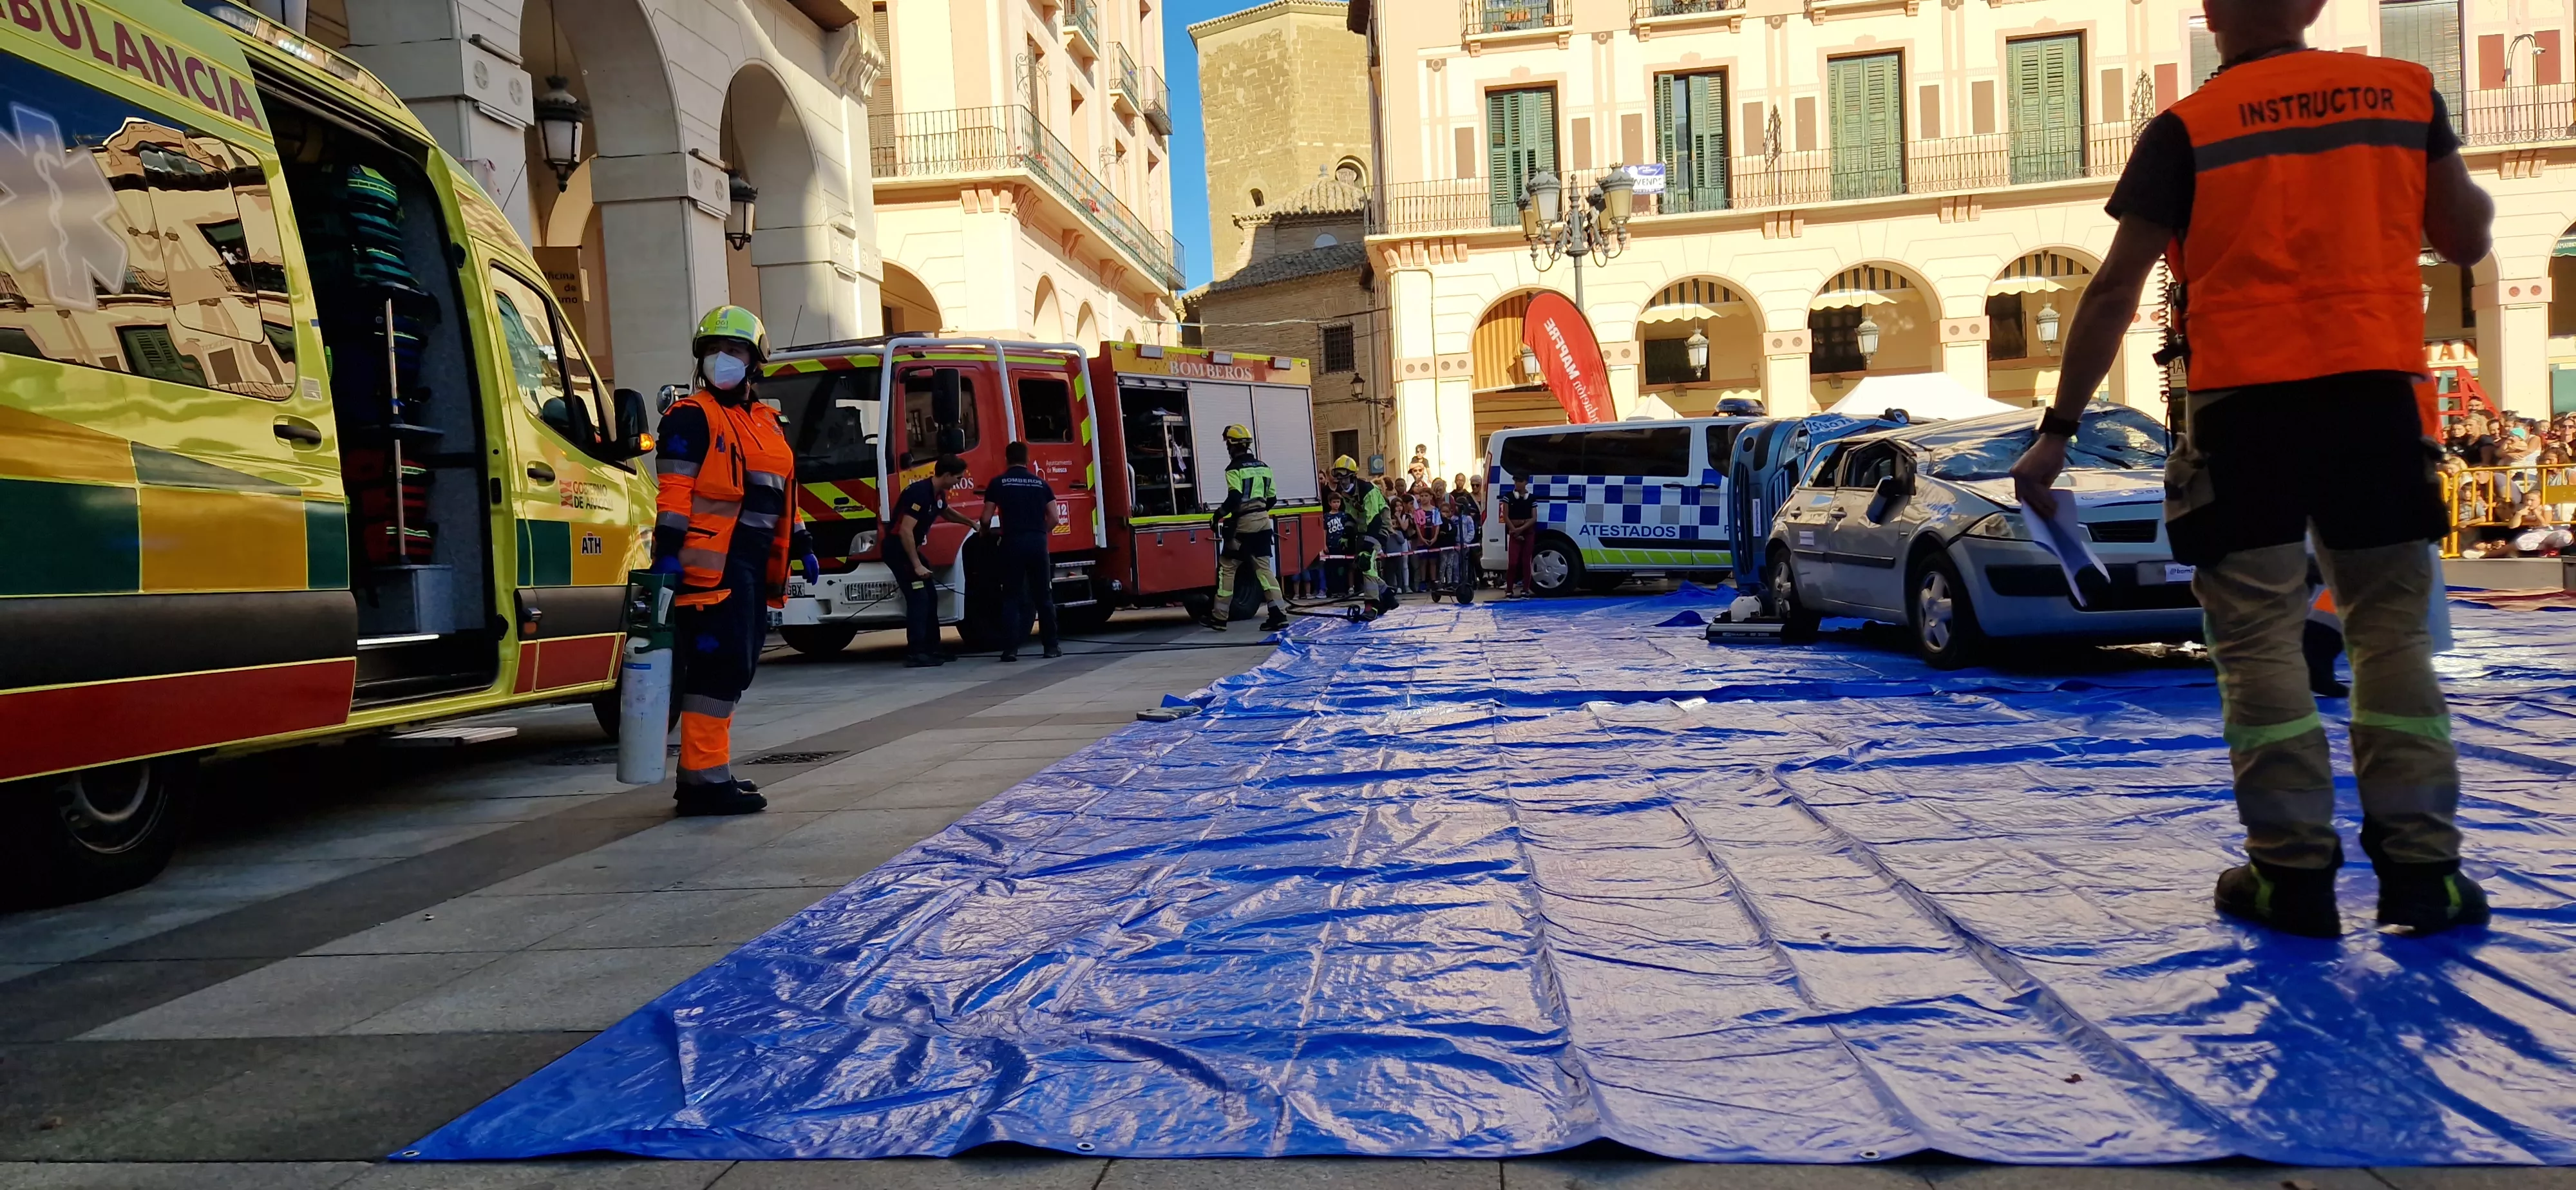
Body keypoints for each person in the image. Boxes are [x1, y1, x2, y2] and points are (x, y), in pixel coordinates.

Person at [2009, 0, 2494, 938]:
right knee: (2390, 635)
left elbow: (2115, 288)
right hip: (2374, 406)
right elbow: (2467, 236)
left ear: (2210, 12)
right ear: (2312, 4)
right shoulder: (2402, 94)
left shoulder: (2188, 128)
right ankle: (2426, 873)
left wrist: (2058, 431)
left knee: (2261, 641)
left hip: (2247, 415)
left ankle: (2292, 875)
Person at [650, 305, 811, 817]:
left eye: (735, 350)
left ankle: (710, 769)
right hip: (709, 567)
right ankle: (700, 780)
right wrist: (667, 555)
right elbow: (674, 493)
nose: (723, 360)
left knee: (735, 668)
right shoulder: (690, 416)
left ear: (755, 361)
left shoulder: (764, 420)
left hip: (751, 564)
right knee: (717, 670)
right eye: (713, 351)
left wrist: (803, 542)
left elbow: (783, 493)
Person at [888, 455, 976, 668]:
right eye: (957, 478)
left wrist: (970, 522)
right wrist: (917, 564)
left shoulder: (936, 493)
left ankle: (933, 648)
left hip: (911, 550)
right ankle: (917, 652)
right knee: (919, 599)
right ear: (946, 475)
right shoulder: (919, 493)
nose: (958, 482)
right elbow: (905, 531)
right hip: (899, 550)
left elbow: (944, 511)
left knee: (930, 596)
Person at [1204, 424, 1292, 632]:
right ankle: (1279, 615)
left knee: (1227, 566)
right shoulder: (1264, 467)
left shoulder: (1234, 469)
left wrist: (1218, 516)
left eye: (1228, 444)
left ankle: (1219, 617)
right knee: (1264, 570)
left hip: (1244, 527)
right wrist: (1259, 510)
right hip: (1263, 522)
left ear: (1232, 446)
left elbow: (1235, 497)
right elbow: (1272, 498)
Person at [986, 440, 1062, 662]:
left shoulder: (998, 483)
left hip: (1012, 543)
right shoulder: (1041, 484)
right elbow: (1055, 518)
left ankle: (1010, 649)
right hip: (1038, 544)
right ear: (1027, 459)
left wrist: (985, 532)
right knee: (1043, 597)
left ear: (1007, 459)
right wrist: (1040, 532)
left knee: (1011, 596)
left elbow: (985, 518)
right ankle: (1051, 647)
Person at [1331, 455, 1401, 614]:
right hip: (1364, 528)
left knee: (1367, 562)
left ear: (1353, 476)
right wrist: (1346, 536)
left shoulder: (1367, 490)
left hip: (1379, 526)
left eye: (1345, 478)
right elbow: (1350, 515)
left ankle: (1372, 605)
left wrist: (1368, 547)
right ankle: (1388, 597)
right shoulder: (1345, 492)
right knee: (1363, 565)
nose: (1342, 482)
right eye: (1339, 478)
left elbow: (1374, 520)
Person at [1501, 473, 1538, 597]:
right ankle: (1509, 589)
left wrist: (1521, 528)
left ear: (1526, 482)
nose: (1517, 483)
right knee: (1513, 563)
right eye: (1516, 481)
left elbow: (1534, 518)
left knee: (1526, 561)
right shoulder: (1508, 497)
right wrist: (1514, 530)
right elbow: (1506, 516)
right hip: (1514, 532)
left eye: (1520, 481)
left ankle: (1526, 589)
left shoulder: (1532, 499)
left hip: (1528, 532)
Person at [1320, 491, 1351, 598]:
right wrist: (1324, 545)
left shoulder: (1343, 515)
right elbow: (1324, 531)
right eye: (1334, 502)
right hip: (1331, 546)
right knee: (1332, 570)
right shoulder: (1327, 516)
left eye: (1338, 502)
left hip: (1341, 546)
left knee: (1342, 569)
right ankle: (1333, 590)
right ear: (1330, 503)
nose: (1336, 504)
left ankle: (1343, 590)